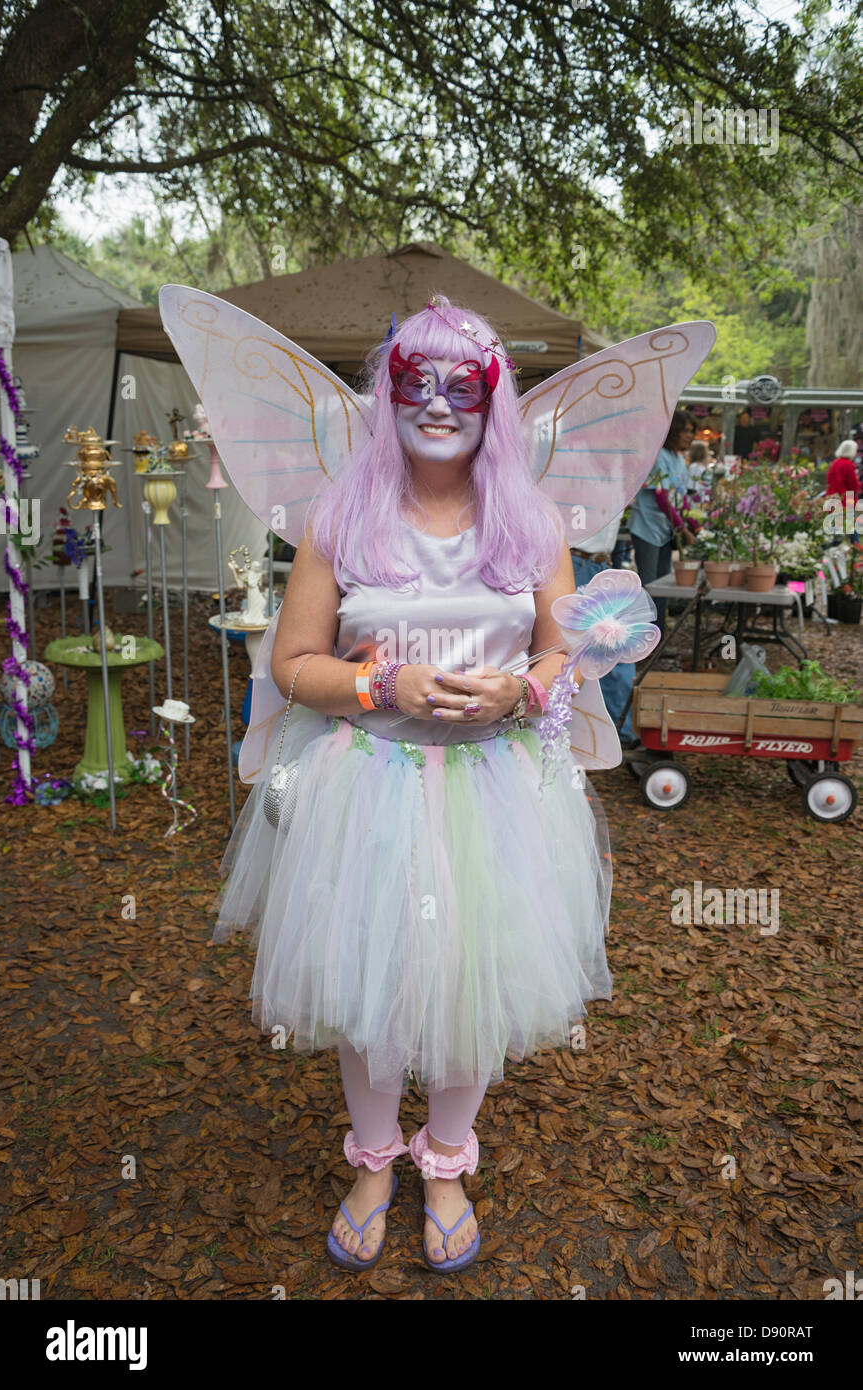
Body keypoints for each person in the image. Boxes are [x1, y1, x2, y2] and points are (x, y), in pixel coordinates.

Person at [210, 296, 616, 1275]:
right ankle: (374, 1161)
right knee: (373, 983)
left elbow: (569, 652)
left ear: (494, 401)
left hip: (498, 795)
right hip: (368, 787)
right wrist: (377, 681)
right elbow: (292, 663)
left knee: (473, 985)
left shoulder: (530, 523)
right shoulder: (341, 518)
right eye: (414, 383)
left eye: (461, 386)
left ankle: (445, 1163)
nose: (437, 404)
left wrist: (520, 687)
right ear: (386, 395)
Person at [570, 514, 637, 747]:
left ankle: (616, 730)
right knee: (604, 650)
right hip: (577, 559)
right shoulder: (580, 478)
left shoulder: (620, 478)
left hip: (599, 563)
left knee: (613, 649)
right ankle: (615, 731)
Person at [628, 409, 697, 633]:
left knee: (663, 585)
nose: (690, 436)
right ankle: (642, 636)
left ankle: (658, 635)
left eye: (692, 432)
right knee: (649, 585)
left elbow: (681, 498)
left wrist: (695, 525)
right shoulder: (659, 457)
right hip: (648, 528)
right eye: (686, 431)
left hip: (666, 530)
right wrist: (683, 529)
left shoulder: (679, 460)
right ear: (673, 431)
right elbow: (662, 496)